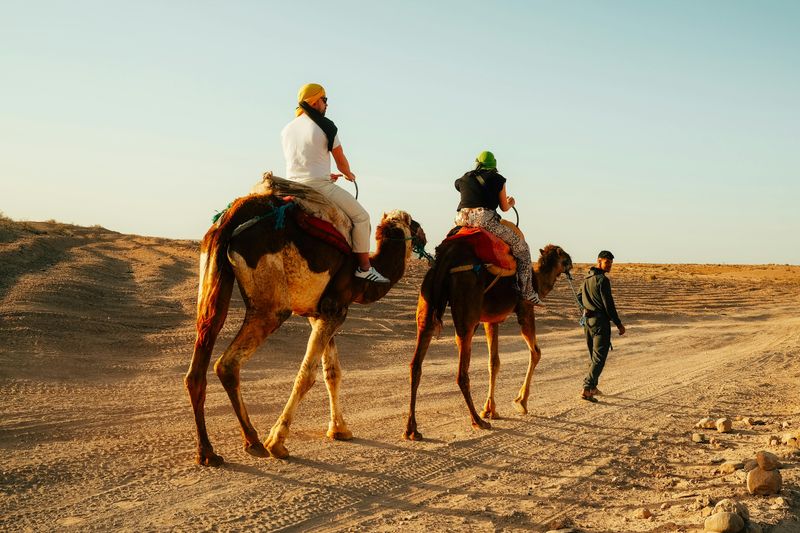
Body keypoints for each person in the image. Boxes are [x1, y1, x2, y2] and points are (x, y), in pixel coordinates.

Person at [281, 83, 389, 283]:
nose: (326, 105)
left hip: (290, 186)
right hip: (317, 187)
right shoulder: (326, 125)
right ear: (314, 101)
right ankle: (365, 268)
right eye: (325, 100)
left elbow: (303, 162)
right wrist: (348, 174)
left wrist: (325, 173)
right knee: (362, 217)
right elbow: (341, 162)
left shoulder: (287, 129)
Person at [453, 151, 541, 304]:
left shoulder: (464, 178)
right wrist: (511, 202)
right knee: (522, 249)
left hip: (462, 219)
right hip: (484, 220)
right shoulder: (498, 179)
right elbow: (504, 207)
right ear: (494, 165)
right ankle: (527, 292)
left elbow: (464, 191)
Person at [578, 250, 626, 402]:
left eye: (611, 263)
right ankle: (587, 389)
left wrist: (585, 308)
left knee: (594, 356)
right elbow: (608, 305)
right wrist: (618, 323)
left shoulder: (586, 278)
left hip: (588, 322)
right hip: (600, 323)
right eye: (607, 262)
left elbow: (579, 296)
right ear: (599, 261)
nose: (610, 265)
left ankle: (593, 387)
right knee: (599, 358)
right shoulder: (602, 280)